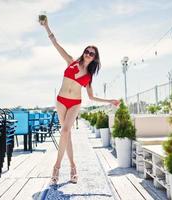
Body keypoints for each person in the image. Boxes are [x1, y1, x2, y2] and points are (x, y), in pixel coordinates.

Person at [39, 16, 120, 185]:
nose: (88, 54)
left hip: (75, 103)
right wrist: (47, 26)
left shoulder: (89, 76)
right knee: (65, 134)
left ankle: (56, 167)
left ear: (95, 58)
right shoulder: (71, 61)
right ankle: (73, 167)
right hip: (61, 101)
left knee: (66, 130)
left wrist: (109, 100)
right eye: (87, 51)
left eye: (92, 53)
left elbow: (91, 97)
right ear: (84, 52)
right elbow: (56, 44)